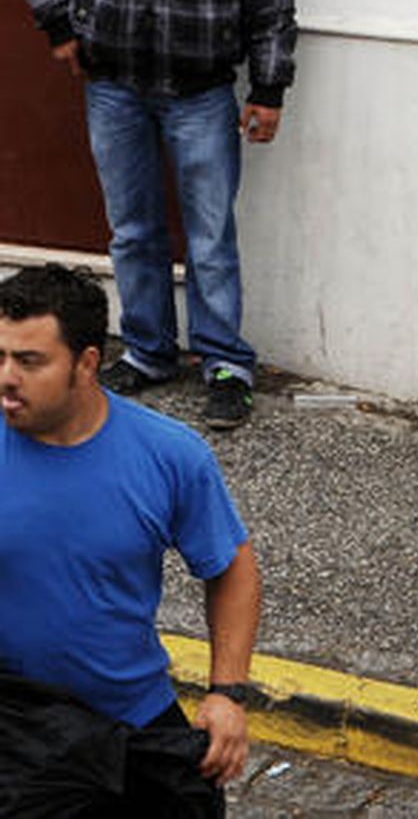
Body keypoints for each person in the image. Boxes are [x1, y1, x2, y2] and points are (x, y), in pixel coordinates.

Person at [10, 0, 298, 429]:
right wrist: (60, 20)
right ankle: (146, 351)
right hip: (113, 83)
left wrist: (271, 83)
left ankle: (225, 362)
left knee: (209, 236)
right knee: (132, 230)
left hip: (202, 90)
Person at [0, 263, 261, 802]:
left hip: (130, 722)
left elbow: (232, 565)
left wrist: (228, 692)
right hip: (15, 730)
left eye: (29, 362)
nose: (6, 377)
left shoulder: (170, 456)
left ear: (87, 364)